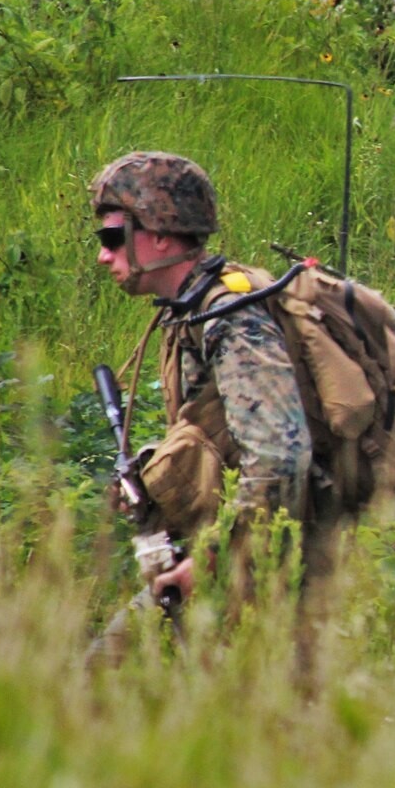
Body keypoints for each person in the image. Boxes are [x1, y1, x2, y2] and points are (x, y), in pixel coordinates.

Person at [87, 151, 323, 680]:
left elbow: (281, 455)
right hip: (243, 558)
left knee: (102, 679)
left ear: (162, 236)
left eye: (111, 238)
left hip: (269, 567)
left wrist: (213, 562)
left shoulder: (229, 320)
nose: (103, 256)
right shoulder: (192, 314)